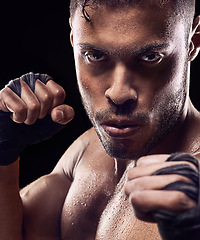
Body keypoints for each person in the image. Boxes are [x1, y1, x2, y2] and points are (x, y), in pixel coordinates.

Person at [0, 0, 200, 239]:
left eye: (150, 56)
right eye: (94, 55)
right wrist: (3, 154)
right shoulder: (86, 153)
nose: (118, 93)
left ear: (192, 43)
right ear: (73, 39)